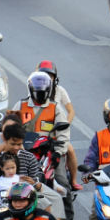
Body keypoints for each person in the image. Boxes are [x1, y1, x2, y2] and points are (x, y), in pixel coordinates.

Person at [19, 70, 75, 220]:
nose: (40, 96)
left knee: (62, 183)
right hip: (25, 153)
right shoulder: (21, 106)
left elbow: (63, 133)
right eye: (37, 92)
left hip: (49, 154)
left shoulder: (55, 108)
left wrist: (58, 152)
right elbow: (11, 125)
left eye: (43, 92)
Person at [36, 59, 80, 208]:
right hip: (40, 137)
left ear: (55, 78)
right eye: (44, 74)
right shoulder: (34, 91)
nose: (47, 78)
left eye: (50, 75)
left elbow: (71, 110)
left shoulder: (60, 91)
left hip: (57, 136)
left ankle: (73, 180)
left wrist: (64, 125)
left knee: (70, 151)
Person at [0, 119, 43, 206]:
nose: (17, 147)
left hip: (25, 203)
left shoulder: (29, 157)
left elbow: (36, 181)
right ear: (5, 141)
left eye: (19, 144)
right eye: (13, 144)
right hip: (2, 203)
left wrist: (36, 184)